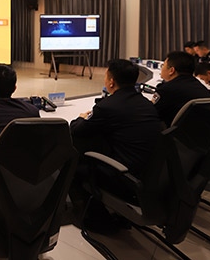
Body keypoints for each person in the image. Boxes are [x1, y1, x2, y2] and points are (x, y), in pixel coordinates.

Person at [67, 59, 163, 233]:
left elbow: (77, 130)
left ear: (111, 82)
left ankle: (97, 220)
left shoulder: (107, 106)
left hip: (125, 177)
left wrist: (80, 118)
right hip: (150, 172)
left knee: (72, 162)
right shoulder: (145, 104)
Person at [152, 51, 210, 127]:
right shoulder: (197, 84)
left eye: (163, 65)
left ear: (171, 70)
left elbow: (152, 113)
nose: (162, 68)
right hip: (203, 131)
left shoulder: (166, 90)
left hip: (178, 132)